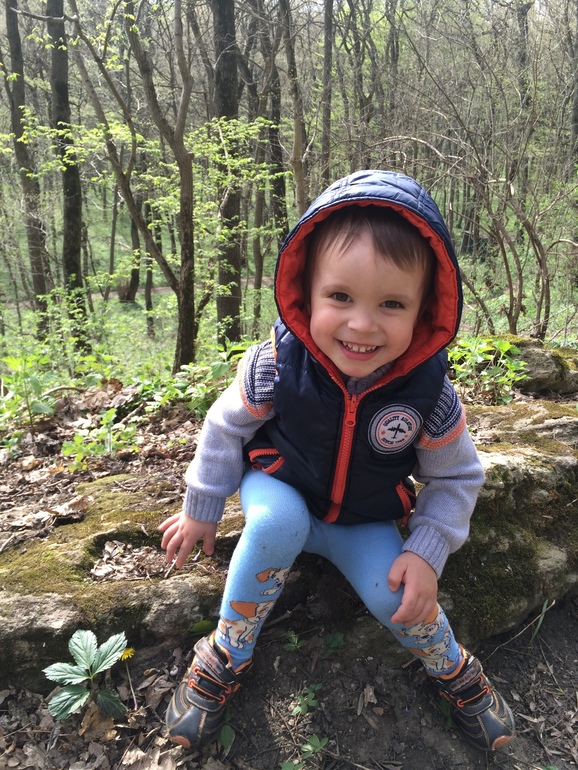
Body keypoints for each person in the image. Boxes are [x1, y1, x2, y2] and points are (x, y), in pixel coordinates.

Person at [159, 170, 515, 753]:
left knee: (398, 597)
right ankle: (226, 652)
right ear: (307, 291)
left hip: (361, 518)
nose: (361, 324)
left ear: (424, 310)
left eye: (392, 304)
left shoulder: (428, 396)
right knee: (278, 525)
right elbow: (225, 426)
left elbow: (456, 476)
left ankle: (454, 669)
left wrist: (427, 552)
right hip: (281, 484)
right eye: (340, 297)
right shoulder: (279, 362)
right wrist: (203, 504)